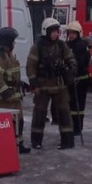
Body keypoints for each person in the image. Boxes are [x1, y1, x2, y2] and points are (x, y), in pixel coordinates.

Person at [26, 18, 77, 150]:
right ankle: (36, 141)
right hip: (42, 86)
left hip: (59, 85)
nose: (56, 34)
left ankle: (67, 140)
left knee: (64, 112)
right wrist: (34, 84)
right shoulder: (38, 47)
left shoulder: (61, 45)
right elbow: (31, 66)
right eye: (53, 31)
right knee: (39, 113)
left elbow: (70, 58)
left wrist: (71, 69)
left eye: (57, 31)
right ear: (46, 31)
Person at [0, 26, 29, 155]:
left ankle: (18, 144)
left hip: (14, 99)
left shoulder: (8, 55)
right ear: (7, 41)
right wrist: (7, 95)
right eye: (13, 41)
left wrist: (22, 84)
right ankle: (7, 146)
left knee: (19, 121)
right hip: (3, 100)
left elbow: (11, 75)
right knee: (6, 124)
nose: (14, 44)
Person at [65, 21, 91, 136]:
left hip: (81, 79)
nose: (71, 35)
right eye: (69, 33)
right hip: (71, 79)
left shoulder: (81, 45)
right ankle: (73, 126)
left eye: (73, 33)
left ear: (78, 33)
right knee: (71, 104)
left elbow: (82, 63)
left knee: (79, 105)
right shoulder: (68, 45)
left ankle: (78, 127)